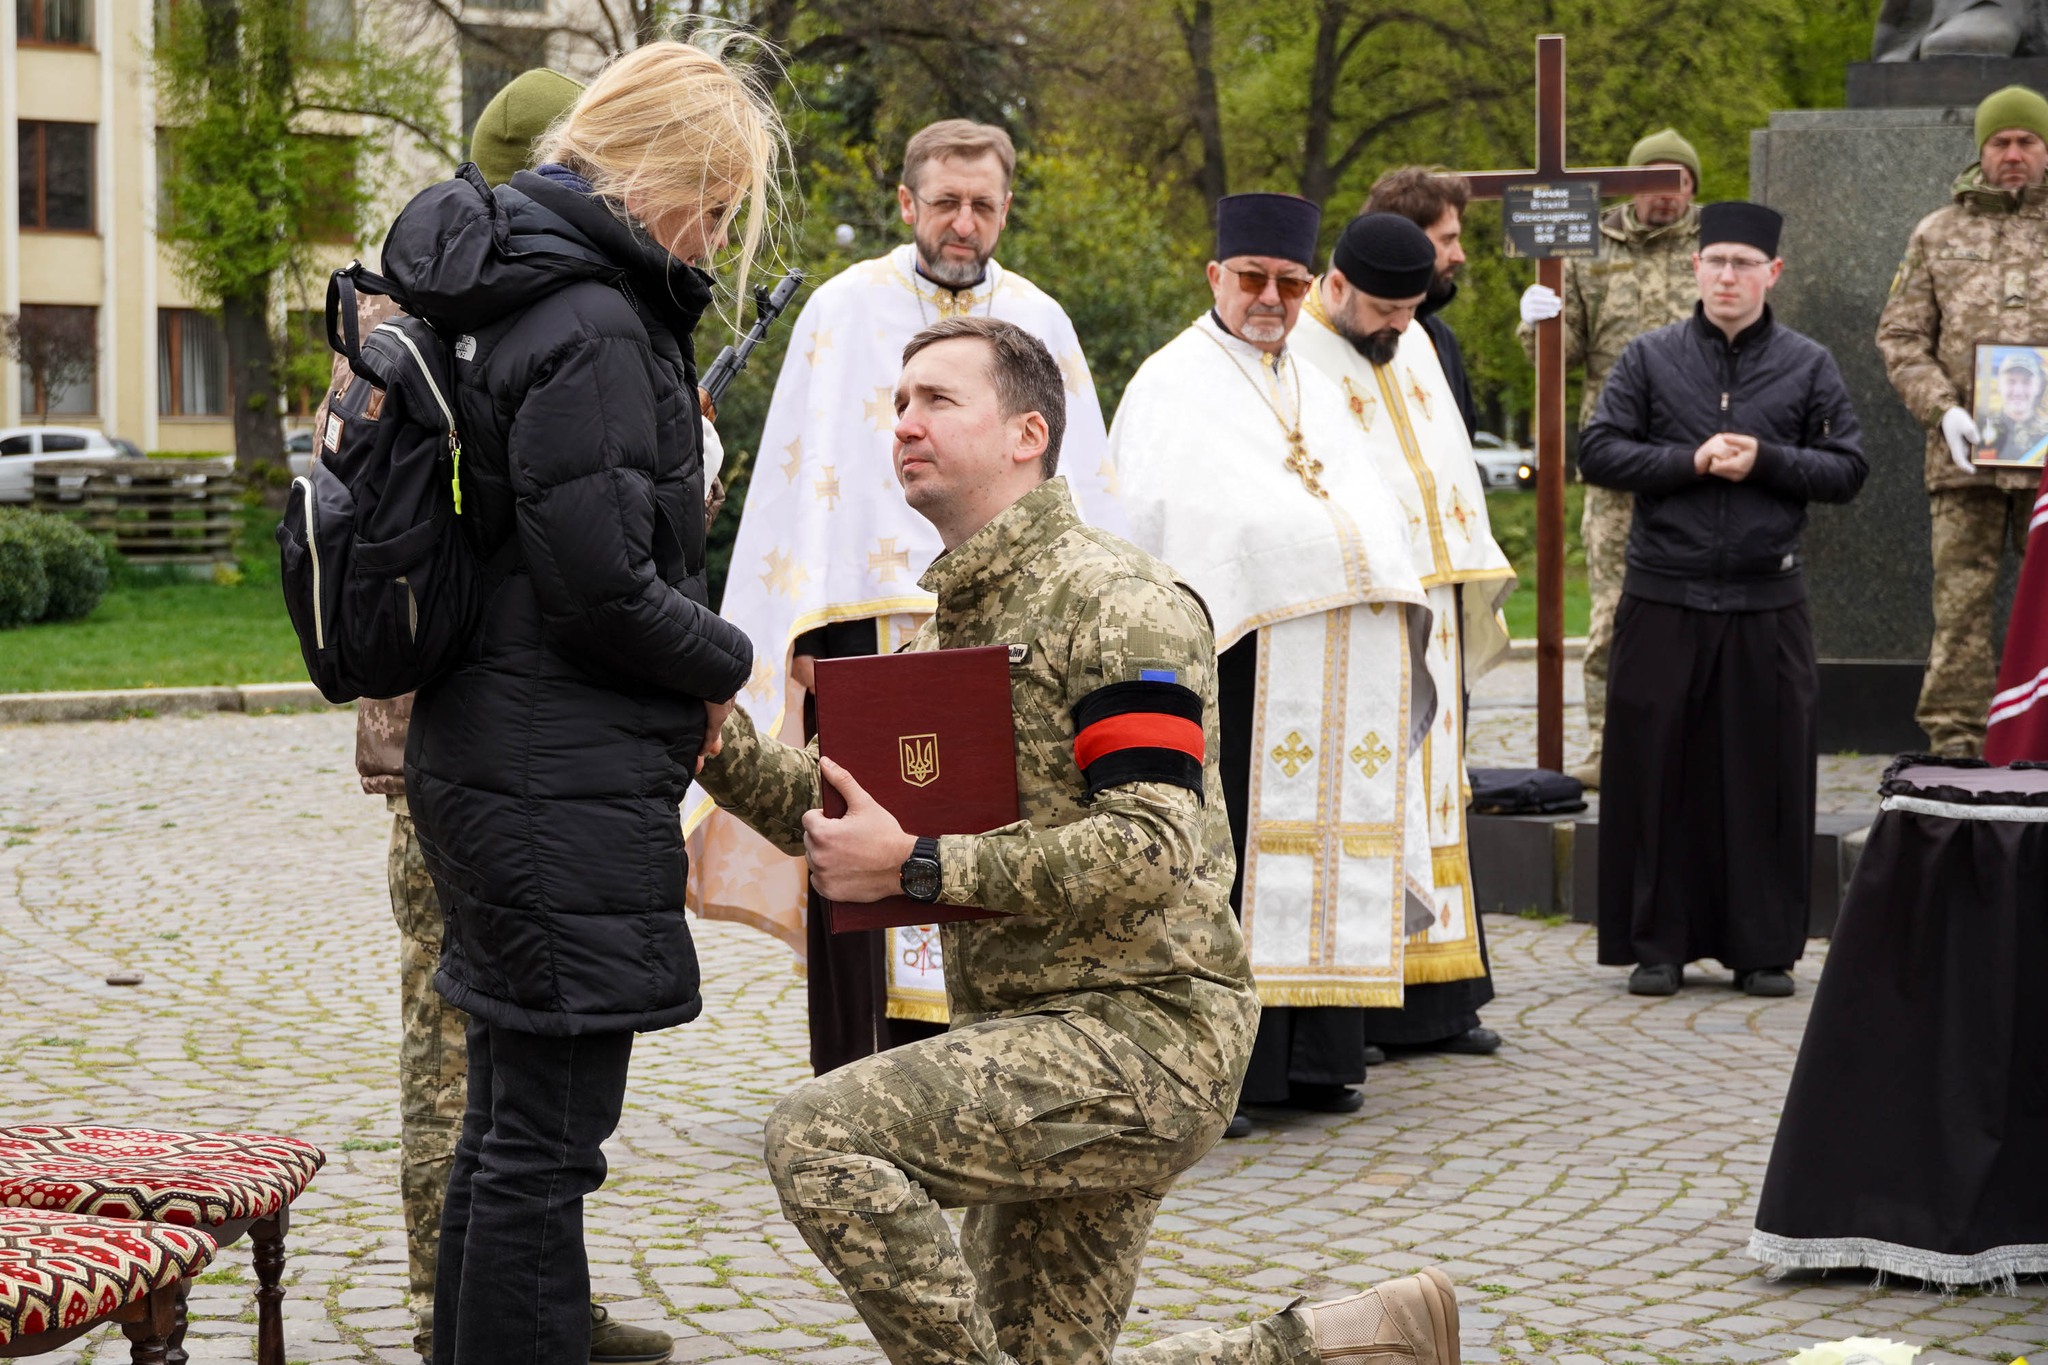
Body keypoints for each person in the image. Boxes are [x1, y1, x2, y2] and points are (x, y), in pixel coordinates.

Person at [697, 313, 1462, 1365]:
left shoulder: (1113, 600)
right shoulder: (949, 625)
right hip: (1028, 1031)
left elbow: (1150, 843)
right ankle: (1339, 1345)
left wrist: (919, 864)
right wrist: (711, 747)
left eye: (936, 400)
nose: (904, 425)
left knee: (818, 1134)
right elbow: (855, 820)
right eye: (897, 406)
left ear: (1026, 433)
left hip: (1143, 1034)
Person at [378, 40, 778, 1365]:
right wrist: (725, 660)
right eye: (713, 205)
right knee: (545, 1149)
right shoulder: (595, 321)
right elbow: (601, 588)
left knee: (509, 1128)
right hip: (551, 775)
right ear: (663, 169)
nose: (712, 235)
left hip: (501, 752)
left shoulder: (525, 291)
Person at [332, 66, 674, 1365]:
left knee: (494, 1076)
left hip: (452, 721)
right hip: (491, 732)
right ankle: (461, 1308)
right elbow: (561, 556)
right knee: (475, 1060)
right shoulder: (537, 309)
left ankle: (518, 1304)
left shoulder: (449, 294)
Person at [687, 117, 1121, 1076]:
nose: (963, 223)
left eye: (984, 205)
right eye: (946, 203)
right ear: (906, 205)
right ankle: (859, 1073)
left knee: (994, 828)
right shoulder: (842, 311)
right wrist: (803, 632)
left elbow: (1083, 480)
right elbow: (798, 499)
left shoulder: (1039, 322)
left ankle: (996, 1060)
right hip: (862, 632)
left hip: (1009, 625)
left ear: (1006, 208)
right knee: (853, 829)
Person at [1110, 194, 1434, 1135]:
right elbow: (1168, 519)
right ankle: (1233, 1074)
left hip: (1335, 653)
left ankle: (1320, 1056)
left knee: (1329, 837)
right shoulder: (1170, 382)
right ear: (1215, 276)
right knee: (1234, 852)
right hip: (1235, 662)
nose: (1271, 298)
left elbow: (1365, 503)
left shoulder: (1319, 380)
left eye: (1290, 283)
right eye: (1252, 278)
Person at [1580, 201, 1866, 1000]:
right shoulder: (1648, 357)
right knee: (1655, 772)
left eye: (1746, 263)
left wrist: (1768, 459)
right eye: (1718, 262)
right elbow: (1598, 449)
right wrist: (1690, 460)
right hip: (1663, 594)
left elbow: (1847, 468)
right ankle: (1656, 942)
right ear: (1695, 270)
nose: (1730, 276)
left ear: (1772, 274)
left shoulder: (1809, 364)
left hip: (1765, 600)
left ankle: (1764, 946)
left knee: (1764, 776)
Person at [1292, 210, 1518, 1061]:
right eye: (1386, 310)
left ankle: (1443, 1000)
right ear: (1340, 285)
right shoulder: (1302, 353)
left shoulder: (1412, 333)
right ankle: (1372, 1005)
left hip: (1435, 599)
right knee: (1376, 796)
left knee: (1437, 793)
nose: (1399, 326)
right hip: (1368, 605)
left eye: (1411, 310)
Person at [1519, 127, 1704, 788]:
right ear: (1629, 186)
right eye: (1650, 179)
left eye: (1676, 180)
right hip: (1619, 460)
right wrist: (1537, 317)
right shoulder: (1584, 246)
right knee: (1613, 613)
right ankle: (1609, 741)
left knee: (1704, 610)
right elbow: (1557, 356)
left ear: (1692, 187)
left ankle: (1694, 742)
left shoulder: (1716, 250)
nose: (1664, 193)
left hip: (1703, 460)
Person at [1877, 85, 2048, 756]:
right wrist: (1942, 412)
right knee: (1959, 610)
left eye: (2026, 141)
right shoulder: (1937, 232)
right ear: (1980, 149)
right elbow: (1900, 337)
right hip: (1964, 458)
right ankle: (1955, 740)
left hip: (2046, 466)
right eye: (2000, 142)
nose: (2012, 154)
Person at [1364, 166, 1479, 437]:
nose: (1459, 256)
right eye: (1448, 240)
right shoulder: (1354, 333)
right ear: (1406, 239)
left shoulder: (1441, 337)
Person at [1982, 350, 2048, 464]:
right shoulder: (1981, 428)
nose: (2018, 392)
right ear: (1999, 385)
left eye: (2027, 382)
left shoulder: (2046, 433)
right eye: (2010, 382)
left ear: (2038, 386)